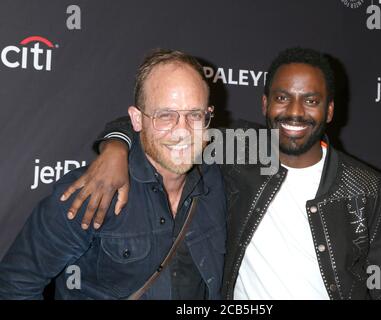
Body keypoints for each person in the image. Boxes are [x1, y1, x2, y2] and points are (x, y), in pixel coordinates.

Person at [60, 47, 381, 299]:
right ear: (264, 104)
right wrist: (115, 148)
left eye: (312, 100)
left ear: (330, 110)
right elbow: (156, 125)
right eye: (283, 97)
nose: (295, 112)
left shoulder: (365, 186)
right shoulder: (242, 149)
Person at [0, 49, 227, 299]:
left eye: (194, 115)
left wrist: (116, 140)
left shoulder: (221, 181)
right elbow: (14, 286)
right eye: (165, 116)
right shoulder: (93, 189)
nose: (183, 131)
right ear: (137, 119)